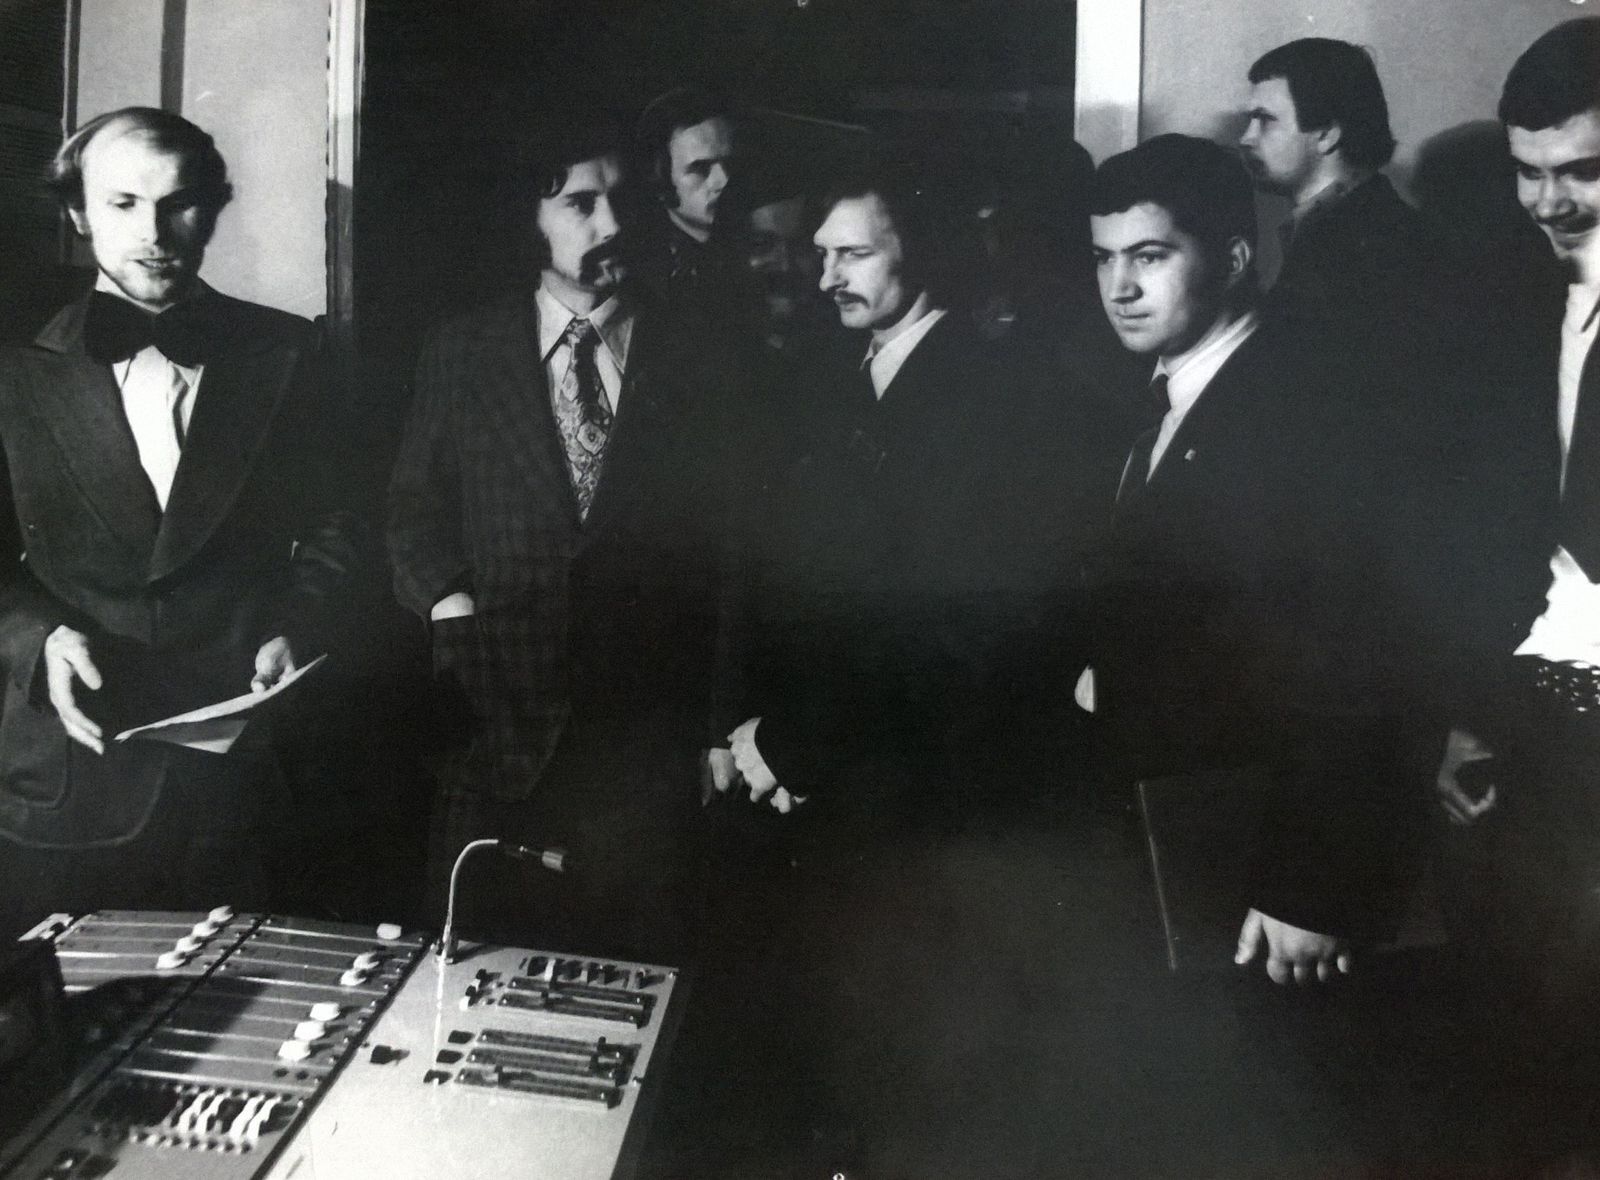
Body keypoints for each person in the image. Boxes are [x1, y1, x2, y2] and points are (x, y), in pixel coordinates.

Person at [387, 108, 749, 961]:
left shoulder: (702, 354)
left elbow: (736, 554)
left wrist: (717, 725)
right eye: (581, 204)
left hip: (644, 744)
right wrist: (449, 607)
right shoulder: (462, 351)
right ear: (532, 220)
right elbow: (411, 510)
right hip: (492, 727)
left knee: (636, 982)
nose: (611, 224)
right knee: (477, 975)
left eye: (620, 200)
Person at [0, 108, 356, 936]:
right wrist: (39, 640)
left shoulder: (291, 354)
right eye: (123, 204)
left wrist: (298, 619)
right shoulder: (12, 368)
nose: (154, 233)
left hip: (242, 780)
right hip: (66, 782)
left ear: (216, 208)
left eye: (179, 203)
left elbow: (338, 522)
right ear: (78, 213)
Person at [1083, 134, 1423, 984]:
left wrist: (1311, 885)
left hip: (1264, 877)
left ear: (1235, 259)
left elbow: (1369, 655)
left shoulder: (1307, 406)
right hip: (1173, 839)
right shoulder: (1154, 399)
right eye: (1104, 258)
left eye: (1150, 256)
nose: (1119, 287)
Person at [1433, 16, 1600, 1028]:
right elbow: (1483, 536)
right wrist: (1467, 715)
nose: (1548, 202)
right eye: (1528, 173)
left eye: (1582, 171)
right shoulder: (1516, 304)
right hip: (1535, 730)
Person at [634, 85, 743, 315]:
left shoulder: (751, 248)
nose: (723, 181)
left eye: (730, 164)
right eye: (700, 168)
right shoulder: (640, 269)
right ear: (659, 174)